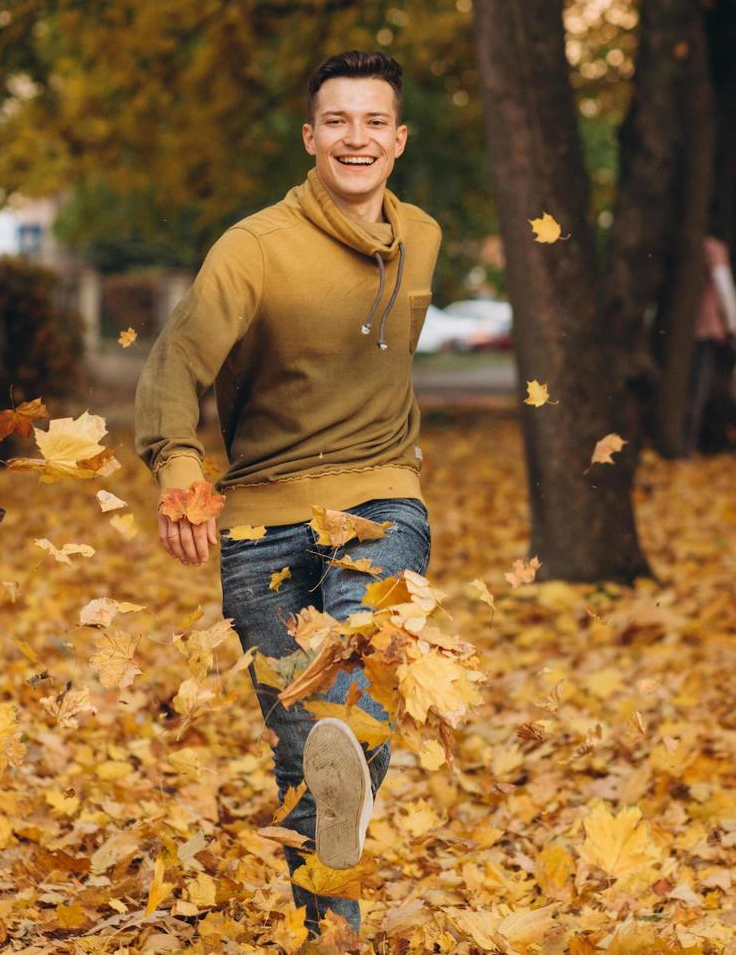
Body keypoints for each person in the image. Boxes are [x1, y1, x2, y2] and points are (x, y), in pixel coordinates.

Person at [134, 50, 441, 938]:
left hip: (384, 495)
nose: (357, 137)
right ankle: (329, 932)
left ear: (399, 139)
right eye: (338, 121)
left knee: (363, 654)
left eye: (374, 121)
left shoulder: (420, 236)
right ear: (311, 138)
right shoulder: (253, 249)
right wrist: (179, 472)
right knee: (306, 748)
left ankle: (333, 876)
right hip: (263, 520)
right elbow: (175, 364)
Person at [684, 236, 736, 457]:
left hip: (686, 330)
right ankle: (689, 448)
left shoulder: (688, 244)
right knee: (698, 392)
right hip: (707, 330)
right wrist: (732, 326)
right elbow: (724, 286)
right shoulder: (714, 248)